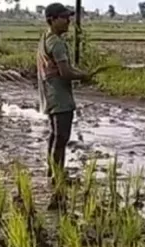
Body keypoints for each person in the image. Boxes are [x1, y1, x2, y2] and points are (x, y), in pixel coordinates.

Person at [37, 2, 93, 184]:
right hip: (60, 97)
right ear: (52, 20)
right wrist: (83, 76)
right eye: (64, 17)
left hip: (49, 95)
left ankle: (52, 172)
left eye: (68, 16)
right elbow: (66, 73)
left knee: (54, 136)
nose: (68, 20)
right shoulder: (57, 44)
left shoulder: (46, 38)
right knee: (61, 138)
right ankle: (57, 176)